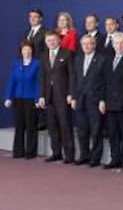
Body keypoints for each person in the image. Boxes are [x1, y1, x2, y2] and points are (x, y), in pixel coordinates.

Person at [101, 32, 123, 171]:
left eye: (122, 43)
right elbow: (103, 81)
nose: (119, 46)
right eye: (117, 43)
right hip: (109, 102)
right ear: (113, 45)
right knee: (112, 133)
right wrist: (102, 100)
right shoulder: (108, 59)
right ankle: (115, 158)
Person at [38, 32, 75, 163]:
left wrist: (71, 93)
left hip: (63, 96)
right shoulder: (42, 56)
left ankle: (69, 155)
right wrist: (41, 95)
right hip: (49, 96)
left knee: (65, 125)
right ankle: (56, 153)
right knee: (52, 126)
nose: (51, 42)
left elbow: (72, 75)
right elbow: (42, 77)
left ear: (59, 40)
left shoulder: (67, 53)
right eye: (48, 40)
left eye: (53, 40)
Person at [71, 35, 105, 167]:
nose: (86, 46)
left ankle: (95, 158)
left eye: (89, 44)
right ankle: (84, 155)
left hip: (95, 100)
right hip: (80, 100)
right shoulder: (78, 59)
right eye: (83, 44)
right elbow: (74, 80)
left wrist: (102, 99)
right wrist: (73, 97)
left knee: (96, 131)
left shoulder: (102, 59)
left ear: (94, 45)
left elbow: (104, 82)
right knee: (82, 130)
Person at [4, 40, 40, 159]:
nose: (27, 51)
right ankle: (18, 151)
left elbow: (38, 83)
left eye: (29, 49)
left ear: (32, 50)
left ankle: (30, 152)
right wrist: (8, 97)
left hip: (31, 99)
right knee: (19, 125)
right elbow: (11, 82)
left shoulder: (36, 64)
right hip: (18, 98)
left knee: (31, 125)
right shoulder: (16, 64)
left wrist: (37, 99)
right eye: (25, 49)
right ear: (21, 51)